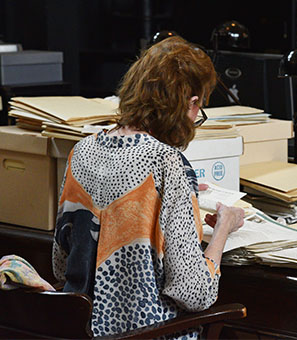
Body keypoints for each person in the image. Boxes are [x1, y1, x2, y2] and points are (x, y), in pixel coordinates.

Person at [52, 36, 245, 339]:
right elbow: (193, 292)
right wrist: (224, 227)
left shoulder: (82, 151)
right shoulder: (168, 162)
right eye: (198, 108)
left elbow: (61, 267)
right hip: (148, 333)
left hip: (81, 330)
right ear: (189, 103)